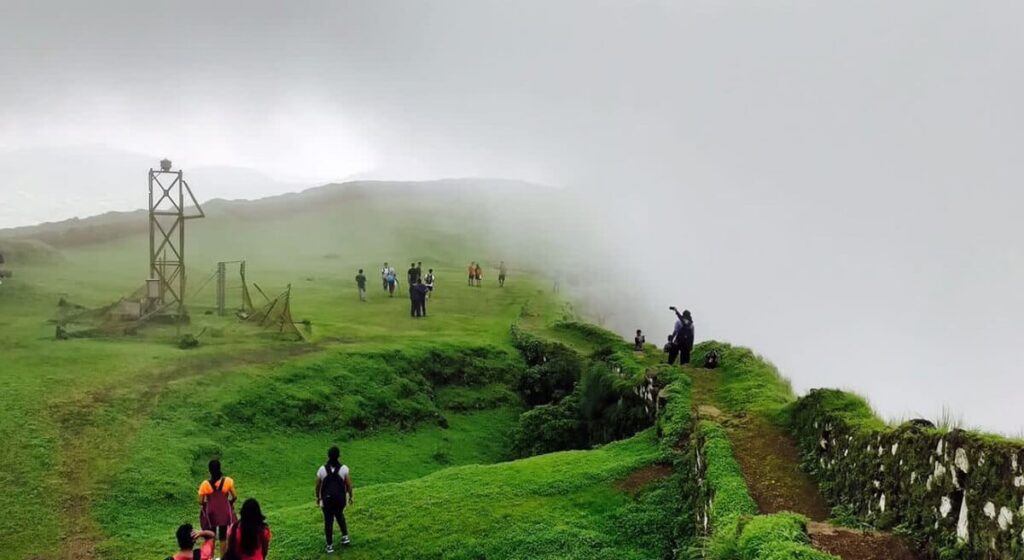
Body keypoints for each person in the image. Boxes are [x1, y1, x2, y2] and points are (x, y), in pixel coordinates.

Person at [316, 446, 354, 553]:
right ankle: (345, 537)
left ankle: (329, 546)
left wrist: (318, 497)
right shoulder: (344, 469)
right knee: (340, 515)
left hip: (327, 500)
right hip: (340, 499)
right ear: (339, 456)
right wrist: (351, 496)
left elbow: (317, 485)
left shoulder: (322, 469)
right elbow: (349, 485)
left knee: (328, 521)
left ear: (328, 456)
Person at [198, 459, 237, 558]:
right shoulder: (228, 481)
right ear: (220, 468)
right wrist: (229, 503)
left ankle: (210, 557)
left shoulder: (205, 484)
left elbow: (200, 501)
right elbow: (235, 496)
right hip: (224, 511)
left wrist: (207, 504)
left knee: (212, 536)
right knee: (223, 536)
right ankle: (223, 557)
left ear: (209, 470)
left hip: (211, 512)